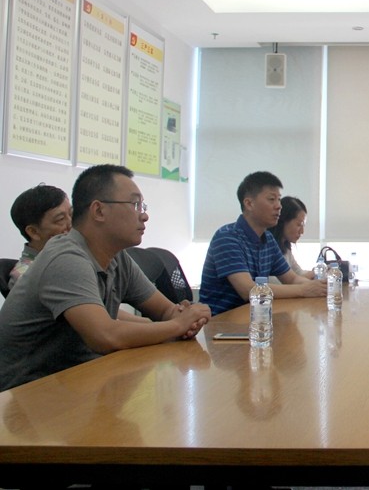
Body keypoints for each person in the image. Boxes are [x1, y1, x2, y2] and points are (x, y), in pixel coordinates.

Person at [0, 164, 212, 392]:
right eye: (135, 204)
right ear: (99, 211)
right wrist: (179, 324)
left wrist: (185, 318)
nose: (144, 215)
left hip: (81, 382)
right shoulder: (65, 258)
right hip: (32, 393)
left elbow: (166, 311)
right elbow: (105, 336)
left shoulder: (117, 257)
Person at [200, 171, 327, 315]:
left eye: (279, 199)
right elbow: (248, 290)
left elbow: (292, 278)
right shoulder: (227, 237)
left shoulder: (268, 239)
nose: (279, 206)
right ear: (249, 203)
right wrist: (304, 290)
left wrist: (321, 287)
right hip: (222, 322)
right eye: (271, 199)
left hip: (256, 317)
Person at [8, 184, 73, 290]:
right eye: (61, 219)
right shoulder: (25, 278)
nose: (71, 224)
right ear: (34, 232)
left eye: (72, 214)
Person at [268, 196, 315, 281]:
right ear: (283, 221)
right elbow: (274, 281)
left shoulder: (285, 248)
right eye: (299, 225)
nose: (302, 232)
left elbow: (298, 272)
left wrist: (318, 273)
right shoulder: (268, 247)